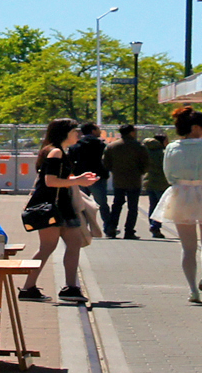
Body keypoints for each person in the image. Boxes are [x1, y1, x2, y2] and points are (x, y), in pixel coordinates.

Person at [153, 106, 202, 303]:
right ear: (197, 127)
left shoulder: (172, 147)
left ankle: (192, 290)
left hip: (181, 195)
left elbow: (169, 175)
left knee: (187, 247)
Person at [19, 118, 98, 302]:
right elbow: (50, 181)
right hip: (51, 207)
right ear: (64, 133)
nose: (77, 134)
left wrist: (78, 178)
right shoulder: (55, 152)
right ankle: (28, 288)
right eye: (74, 131)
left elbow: (56, 179)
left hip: (61, 206)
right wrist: (78, 180)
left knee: (74, 243)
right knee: (48, 247)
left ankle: (71, 287)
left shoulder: (58, 151)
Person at [104, 124, 149, 238]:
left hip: (118, 179)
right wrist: (141, 172)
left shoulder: (112, 146)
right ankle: (129, 230)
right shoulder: (139, 146)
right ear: (131, 132)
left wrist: (114, 170)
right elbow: (146, 163)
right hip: (134, 179)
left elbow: (106, 162)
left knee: (117, 204)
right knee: (132, 206)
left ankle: (112, 228)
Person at [71, 122, 111, 218]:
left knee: (81, 204)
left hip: (80, 177)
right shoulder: (101, 145)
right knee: (102, 204)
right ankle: (108, 227)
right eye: (98, 129)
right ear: (93, 131)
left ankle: (83, 227)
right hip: (98, 176)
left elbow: (70, 161)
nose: (100, 131)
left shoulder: (76, 145)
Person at [143, 130, 170, 239]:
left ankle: (153, 224)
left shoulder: (146, 151)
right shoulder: (163, 154)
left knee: (152, 205)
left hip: (149, 181)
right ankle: (155, 225)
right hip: (161, 182)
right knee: (161, 206)